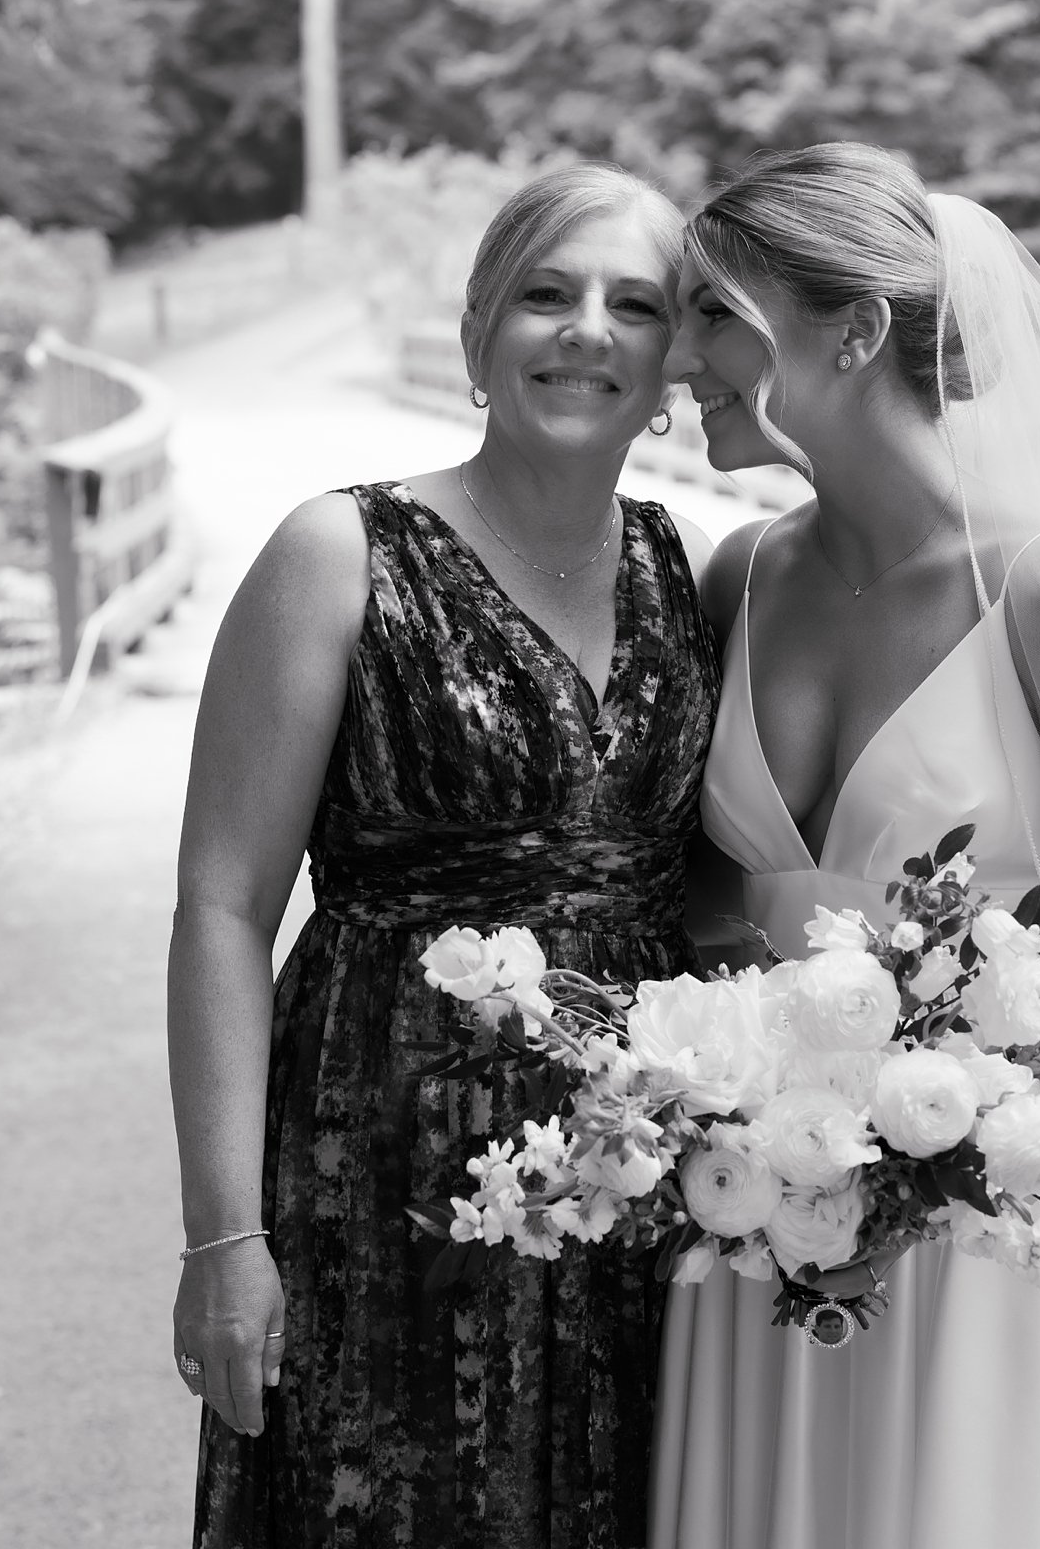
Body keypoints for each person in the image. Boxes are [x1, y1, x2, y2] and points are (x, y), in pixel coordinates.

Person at [651, 143, 1040, 1549]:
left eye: (715, 313)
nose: (678, 356)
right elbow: (706, 902)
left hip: (986, 1243)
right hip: (761, 1228)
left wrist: (929, 1155)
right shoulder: (738, 576)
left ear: (850, 331)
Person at [168, 164, 722, 1549]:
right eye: (546, 292)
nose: (587, 329)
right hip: (383, 1163)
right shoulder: (338, 552)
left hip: (633, 1169)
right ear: (481, 333)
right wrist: (222, 1242)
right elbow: (224, 906)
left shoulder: (690, 565)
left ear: (674, 359)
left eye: (634, 304)